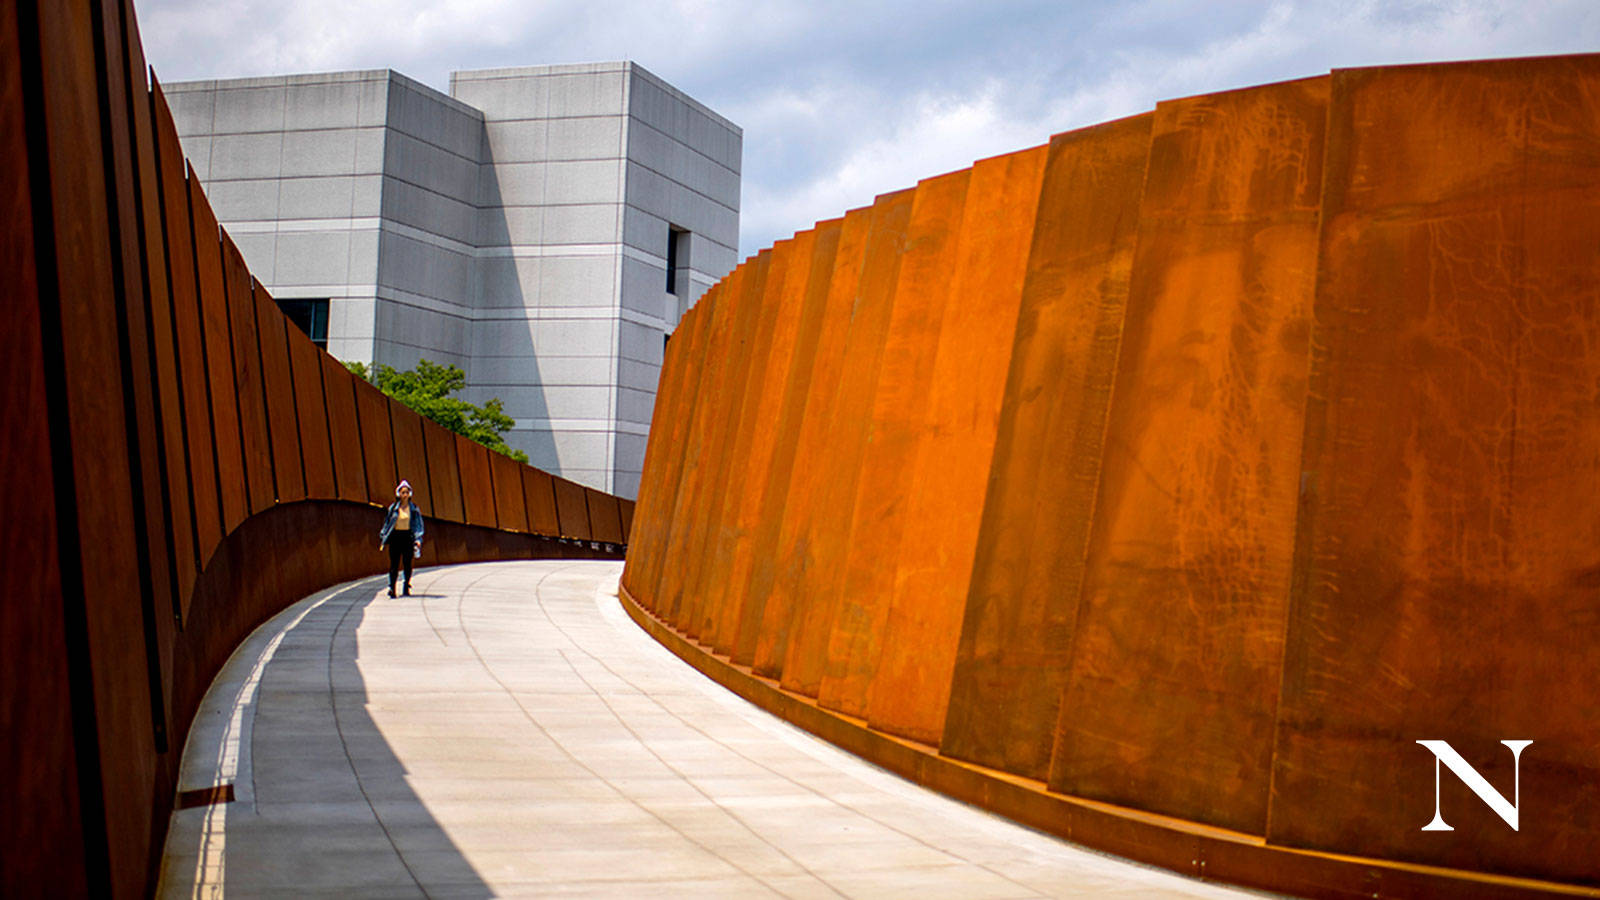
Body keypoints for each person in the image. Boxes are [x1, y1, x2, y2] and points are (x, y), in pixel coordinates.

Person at [379, 480, 425, 597]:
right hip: (395, 537)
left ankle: (406, 585)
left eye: (406, 492)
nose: (404, 494)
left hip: (407, 537)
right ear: (398, 493)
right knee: (394, 564)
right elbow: (388, 523)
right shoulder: (393, 508)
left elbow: (418, 525)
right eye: (402, 492)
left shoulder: (414, 509)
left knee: (407, 563)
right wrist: (383, 535)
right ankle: (392, 588)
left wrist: (418, 539)